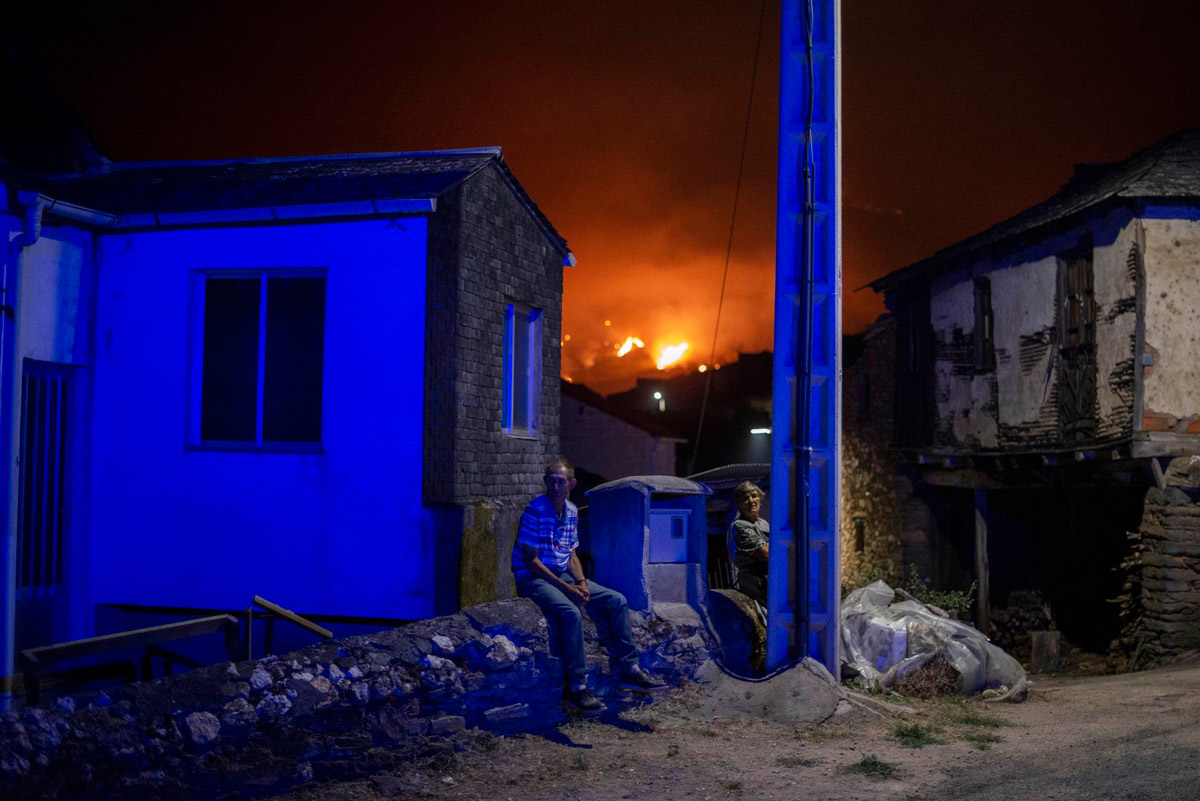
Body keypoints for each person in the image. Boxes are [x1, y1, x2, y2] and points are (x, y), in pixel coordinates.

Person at [512, 457, 666, 713]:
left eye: (560, 481)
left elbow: (571, 555)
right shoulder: (535, 510)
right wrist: (568, 590)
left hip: (561, 573)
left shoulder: (572, 511)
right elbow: (532, 561)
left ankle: (630, 669)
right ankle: (578, 688)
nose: (555, 486)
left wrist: (581, 583)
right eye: (551, 481)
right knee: (570, 612)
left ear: (571, 484)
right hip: (533, 576)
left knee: (616, 600)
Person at [730, 481, 769, 606]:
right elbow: (766, 554)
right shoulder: (740, 526)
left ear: (760, 500)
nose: (751, 501)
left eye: (754, 496)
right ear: (739, 505)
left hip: (769, 577)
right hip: (754, 581)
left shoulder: (764, 524)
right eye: (745, 498)